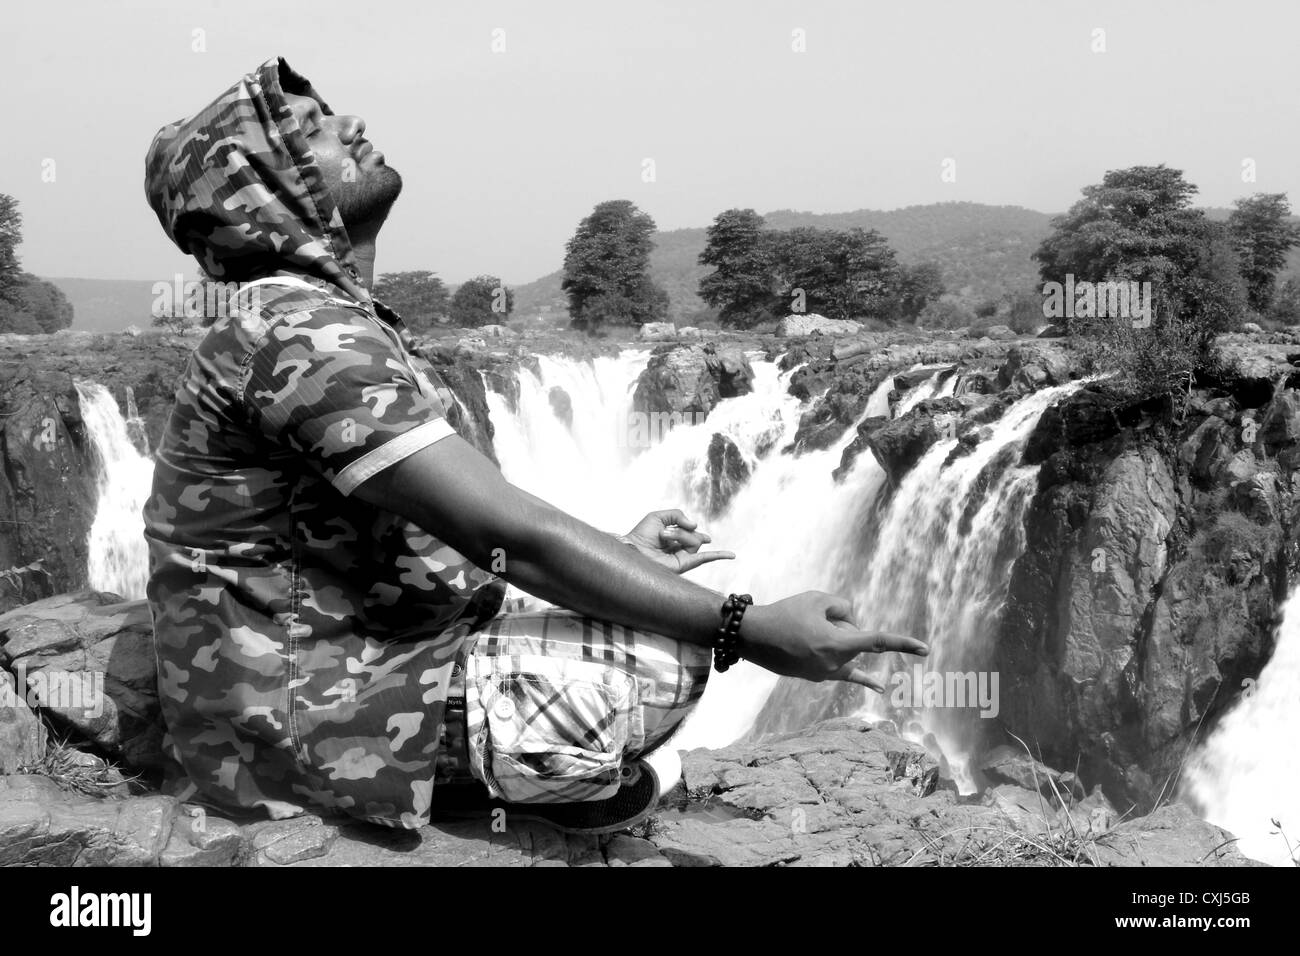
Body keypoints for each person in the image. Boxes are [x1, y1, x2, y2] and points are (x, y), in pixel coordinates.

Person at [141, 57, 928, 832]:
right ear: (264, 197)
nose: (354, 125)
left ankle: (485, 764)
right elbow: (501, 533)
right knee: (670, 657)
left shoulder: (323, 319)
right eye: (314, 132)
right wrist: (745, 629)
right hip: (296, 710)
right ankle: (449, 779)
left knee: (648, 611)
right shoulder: (297, 334)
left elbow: (436, 544)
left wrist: (620, 552)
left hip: (338, 653)